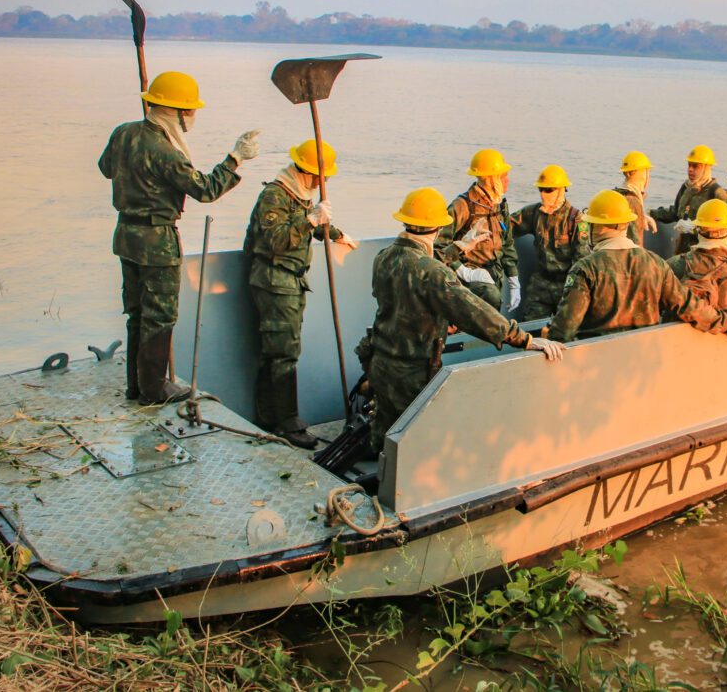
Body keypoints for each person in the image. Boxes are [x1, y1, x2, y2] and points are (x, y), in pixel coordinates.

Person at [98, 71, 260, 405]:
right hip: (157, 240)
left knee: (137, 314)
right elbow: (206, 189)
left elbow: (105, 168)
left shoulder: (124, 133)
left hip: (126, 234)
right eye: (191, 112)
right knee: (160, 315)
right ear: (177, 112)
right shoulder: (166, 151)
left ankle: (136, 386)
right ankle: (154, 390)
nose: (193, 118)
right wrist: (235, 158)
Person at [363, 188, 564, 453]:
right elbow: (474, 312)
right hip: (413, 371)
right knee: (415, 443)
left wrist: (460, 248)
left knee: (384, 433)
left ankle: (376, 477)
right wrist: (524, 339)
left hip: (381, 360)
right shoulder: (433, 273)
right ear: (435, 228)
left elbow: (420, 264)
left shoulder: (384, 257)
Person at [243, 138, 358, 449]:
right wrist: (310, 220)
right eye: (325, 177)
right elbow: (278, 240)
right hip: (275, 281)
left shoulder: (298, 193)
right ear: (311, 174)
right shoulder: (275, 196)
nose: (327, 182)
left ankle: (269, 416)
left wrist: (335, 233)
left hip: (287, 281)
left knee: (276, 351)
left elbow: (312, 222)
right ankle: (289, 423)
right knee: (284, 353)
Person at [546, 190, 727, 342]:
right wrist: (726, 323)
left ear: (598, 226)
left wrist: (549, 334)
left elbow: (565, 328)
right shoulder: (656, 263)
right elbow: (687, 305)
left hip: (596, 361)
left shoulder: (586, 268)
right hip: (643, 355)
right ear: (624, 224)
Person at [437, 148, 520, 312]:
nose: (507, 181)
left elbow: (507, 243)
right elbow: (438, 246)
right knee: (488, 306)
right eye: (503, 176)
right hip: (468, 281)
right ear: (490, 179)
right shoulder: (462, 206)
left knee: (493, 308)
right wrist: (463, 270)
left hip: (493, 276)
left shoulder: (499, 205)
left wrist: (513, 278)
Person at [509, 164, 592, 320]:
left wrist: (573, 291)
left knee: (567, 332)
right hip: (541, 283)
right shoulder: (534, 213)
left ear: (561, 190)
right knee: (530, 327)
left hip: (566, 284)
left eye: (548, 190)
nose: (543, 195)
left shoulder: (576, 220)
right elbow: (506, 227)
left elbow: (581, 260)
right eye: (541, 189)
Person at [650, 145, 725, 255]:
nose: (690, 169)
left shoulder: (716, 192)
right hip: (683, 249)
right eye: (689, 165)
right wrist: (651, 213)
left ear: (706, 168)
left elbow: (724, 227)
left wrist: (695, 229)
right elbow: (675, 212)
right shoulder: (686, 188)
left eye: (695, 166)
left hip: (704, 252)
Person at [614, 150, 657, 247]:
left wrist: (642, 215)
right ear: (643, 174)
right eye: (647, 171)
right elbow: (636, 246)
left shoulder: (616, 194)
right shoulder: (633, 202)